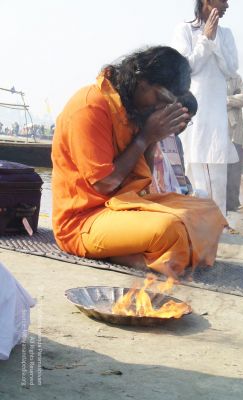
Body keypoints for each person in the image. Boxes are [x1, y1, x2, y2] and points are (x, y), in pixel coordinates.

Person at [51, 46, 227, 279]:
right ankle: (138, 257)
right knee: (170, 228)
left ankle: (152, 255)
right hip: (83, 220)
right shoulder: (90, 106)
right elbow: (103, 184)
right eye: (158, 97)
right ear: (141, 80)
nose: (158, 106)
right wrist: (145, 137)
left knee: (209, 212)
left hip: (123, 206)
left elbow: (141, 183)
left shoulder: (131, 107)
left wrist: (153, 138)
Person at [172, 0, 239, 217]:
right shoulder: (184, 29)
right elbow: (187, 68)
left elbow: (230, 69)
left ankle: (218, 221)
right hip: (195, 110)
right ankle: (197, 220)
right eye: (223, 0)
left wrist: (214, 40)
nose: (228, 5)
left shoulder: (226, 34)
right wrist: (205, 40)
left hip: (217, 111)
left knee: (217, 164)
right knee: (193, 162)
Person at [226, 73, 243, 211]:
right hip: (219, 134)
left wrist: (226, 101)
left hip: (236, 134)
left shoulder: (235, 77)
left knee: (235, 171)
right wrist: (233, 100)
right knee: (222, 170)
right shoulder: (212, 76)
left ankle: (233, 204)